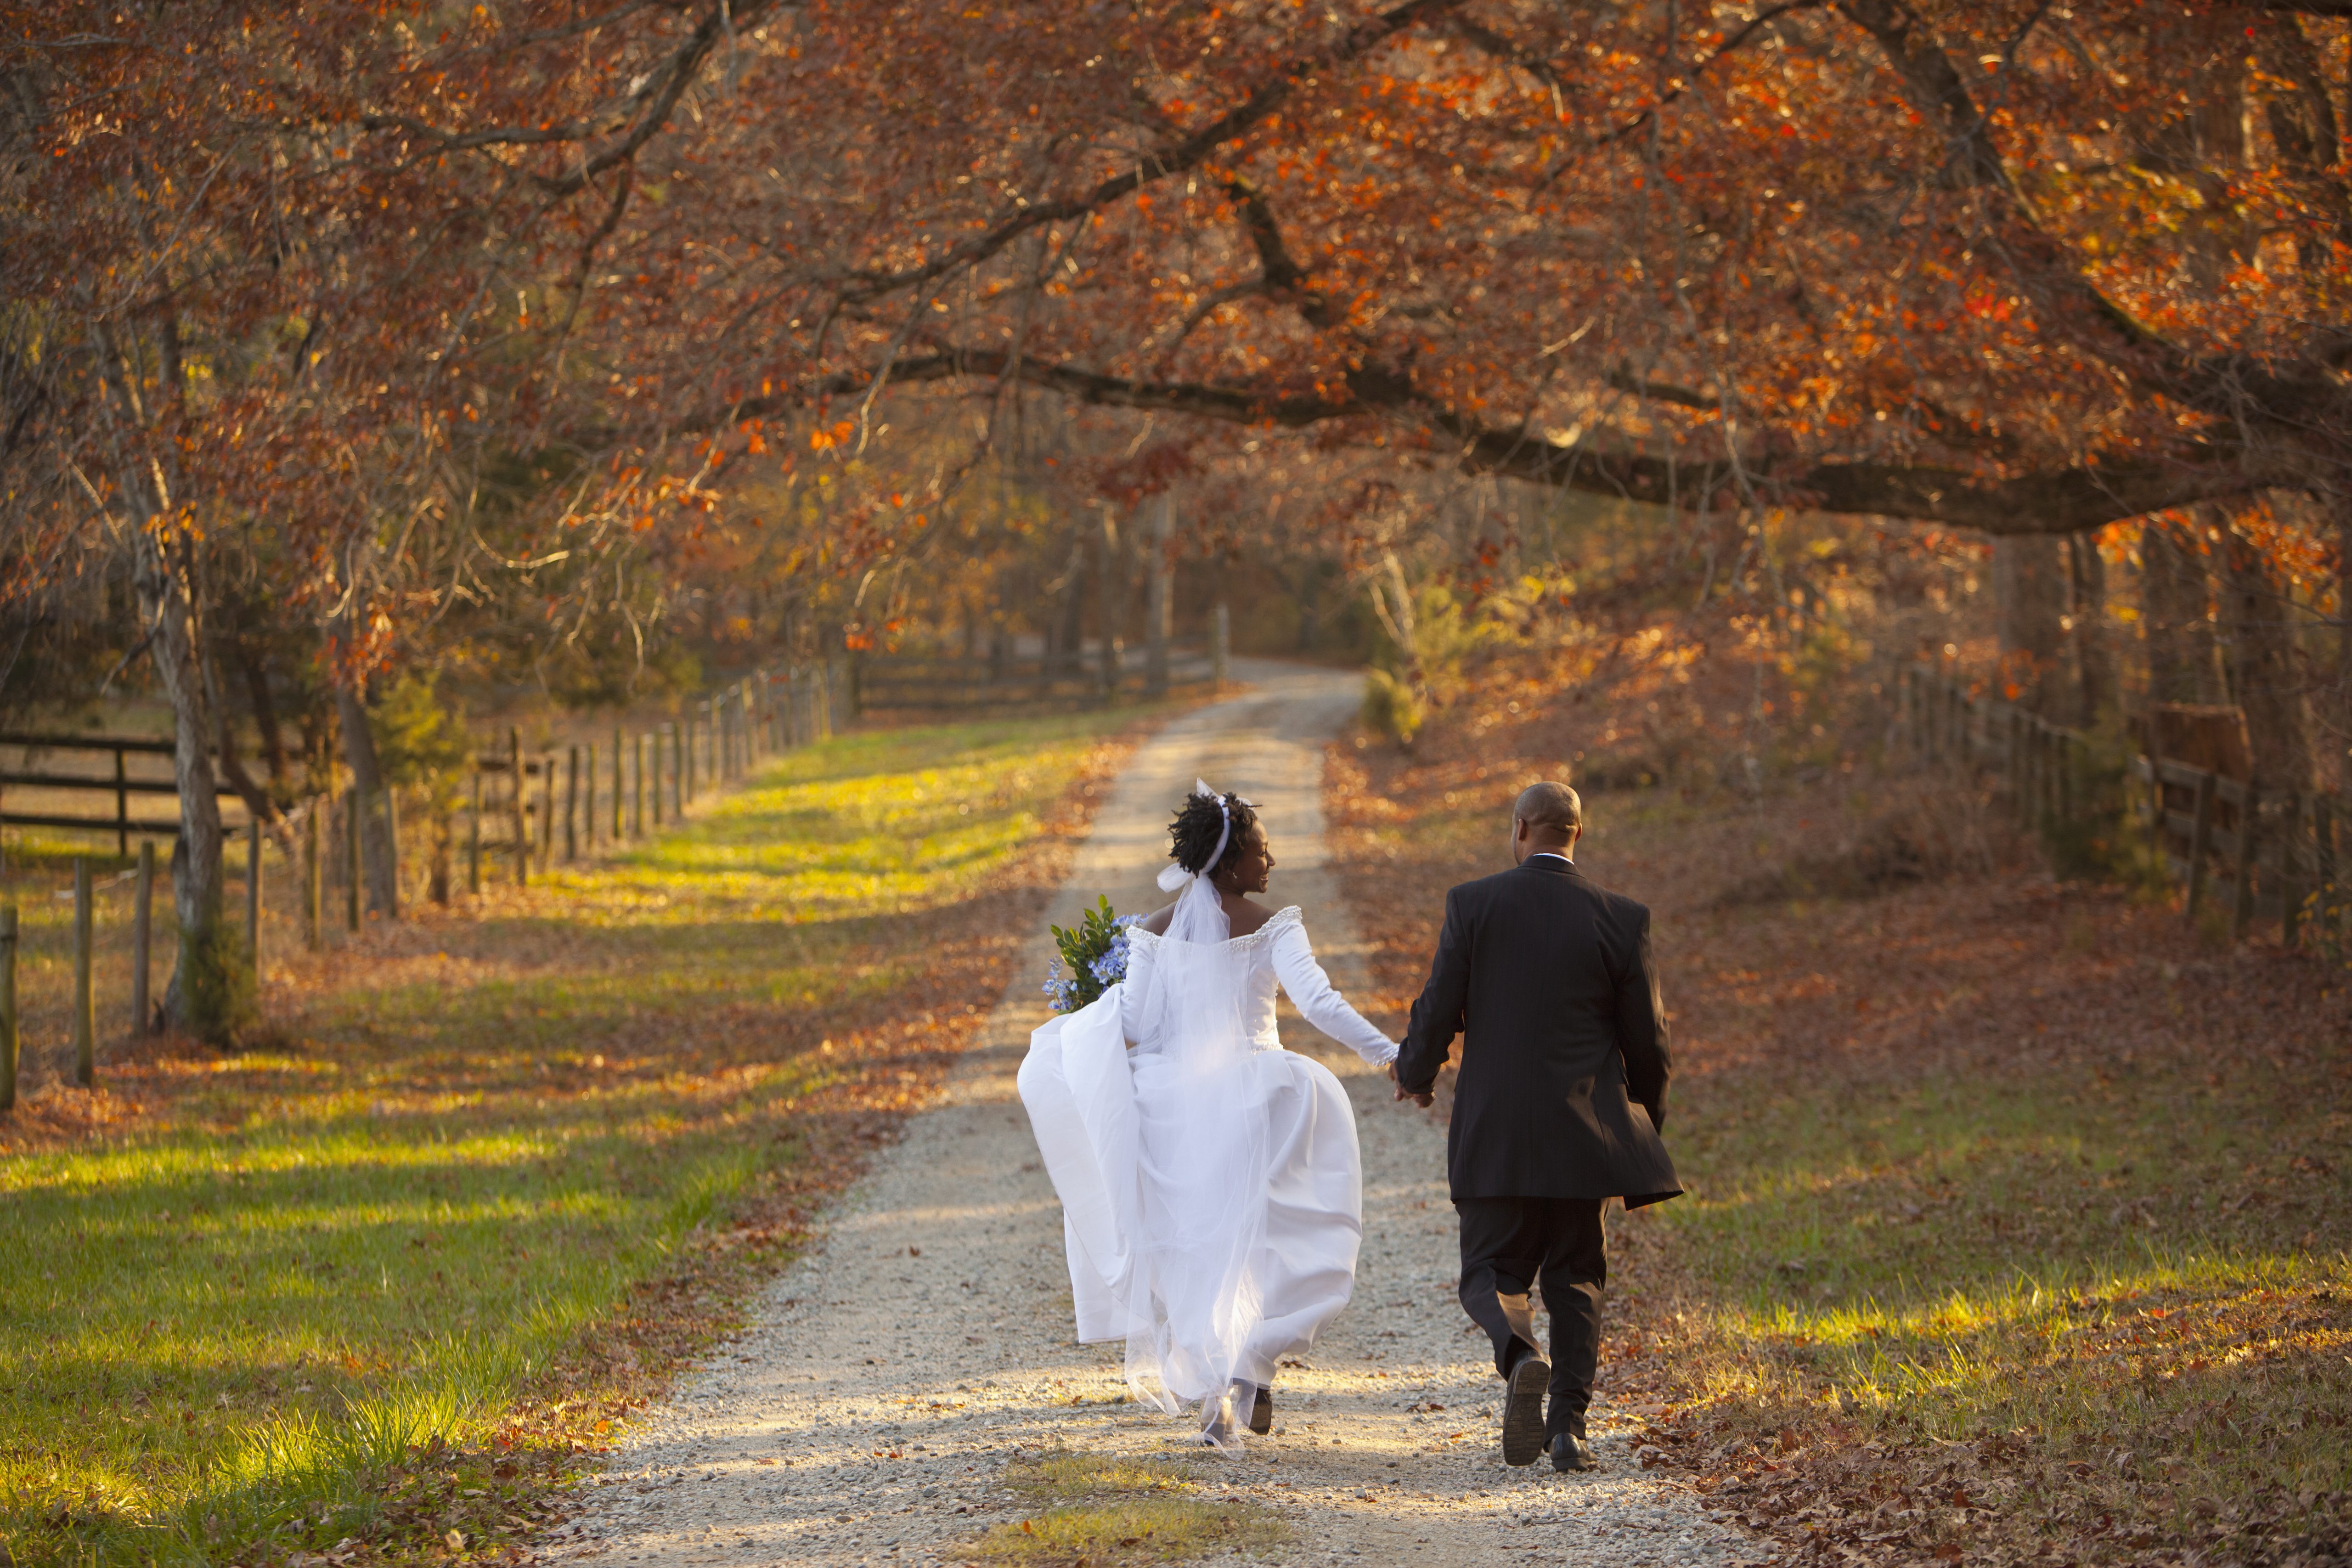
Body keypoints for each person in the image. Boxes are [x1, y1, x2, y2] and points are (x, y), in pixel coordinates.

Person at [1018, 781, 1399, 1448]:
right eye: (1260, 850)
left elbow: (1134, 1023)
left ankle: (1218, 1391)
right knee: (1271, 1242)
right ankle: (1248, 1367)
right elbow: (1319, 1003)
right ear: (1228, 864)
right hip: (1262, 1095)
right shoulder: (1276, 925)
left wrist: (1090, 1012)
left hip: (1173, 1102)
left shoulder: (1150, 933)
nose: (1270, 861)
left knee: (1195, 1247)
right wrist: (1390, 1054)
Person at [1393, 781, 1681, 1472]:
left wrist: (1416, 1072)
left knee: (1490, 1271)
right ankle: (1566, 1430)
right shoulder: (1621, 917)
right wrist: (1640, 1123)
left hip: (1494, 1130)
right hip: (1586, 1137)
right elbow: (1650, 1043)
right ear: (1577, 833)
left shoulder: (1474, 904)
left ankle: (1521, 1353)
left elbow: (1439, 1004)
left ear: (1521, 827)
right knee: (1576, 1279)